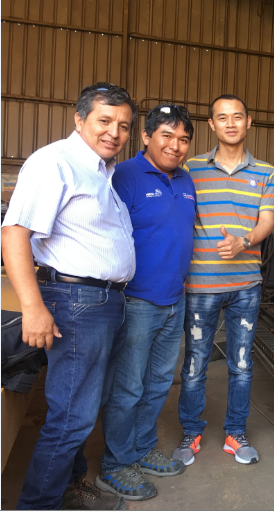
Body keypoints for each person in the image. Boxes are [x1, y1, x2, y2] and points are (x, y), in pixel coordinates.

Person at [1, 82, 137, 510]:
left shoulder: (102, 172)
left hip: (104, 303)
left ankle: (70, 486)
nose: (114, 132)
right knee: (71, 416)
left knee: (83, 406)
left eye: (124, 125)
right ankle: (39, 503)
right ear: (79, 120)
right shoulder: (55, 162)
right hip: (78, 303)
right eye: (104, 121)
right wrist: (32, 307)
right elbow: (14, 233)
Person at [171, 95, 274, 466]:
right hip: (200, 285)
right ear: (211, 124)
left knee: (241, 365)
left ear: (249, 122)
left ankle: (236, 434)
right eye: (222, 117)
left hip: (245, 287)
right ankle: (191, 432)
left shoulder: (265, 172)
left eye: (237, 117)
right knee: (195, 364)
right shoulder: (191, 168)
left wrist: (244, 241)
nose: (231, 123)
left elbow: (267, 222)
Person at [96, 104, 196, 500]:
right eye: (167, 136)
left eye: (183, 139)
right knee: (128, 388)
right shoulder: (125, 176)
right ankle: (115, 464)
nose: (175, 146)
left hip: (175, 300)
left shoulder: (185, 181)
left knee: (158, 384)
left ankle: (141, 449)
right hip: (136, 301)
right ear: (146, 136)